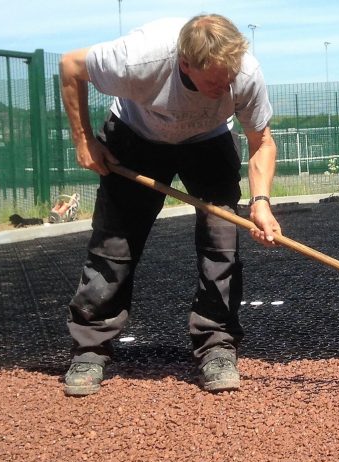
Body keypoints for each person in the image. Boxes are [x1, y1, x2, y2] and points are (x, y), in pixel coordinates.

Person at [58, 13, 280, 397]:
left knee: (221, 241)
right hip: (136, 135)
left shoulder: (244, 74)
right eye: (213, 79)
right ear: (185, 64)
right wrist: (83, 141)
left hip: (208, 142)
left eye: (228, 77)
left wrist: (262, 202)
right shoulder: (137, 59)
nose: (223, 85)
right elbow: (70, 66)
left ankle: (217, 347)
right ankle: (90, 349)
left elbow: (262, 142)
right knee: (114, 246)